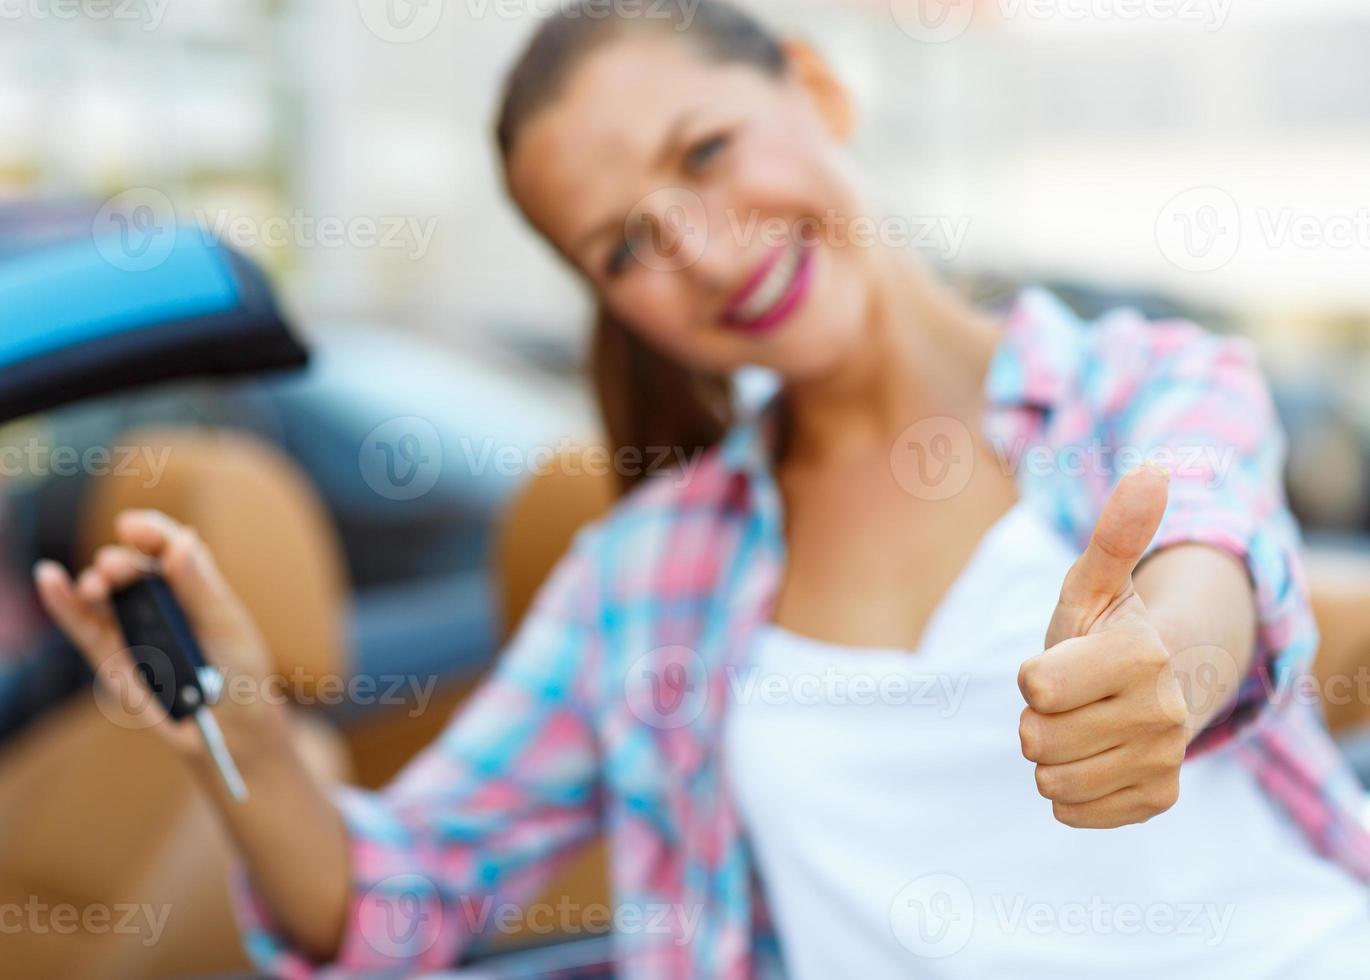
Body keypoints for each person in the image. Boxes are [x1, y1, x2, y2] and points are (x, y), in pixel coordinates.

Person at [34, 2, 1370, 976]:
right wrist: (250, 737)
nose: (705, 252)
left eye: (706, 151)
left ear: (815, 90)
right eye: (624, 246)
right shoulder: (646, 578)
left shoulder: (1137, 383)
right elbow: (394, 903)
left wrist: (1164, 674)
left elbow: (1209, 561)